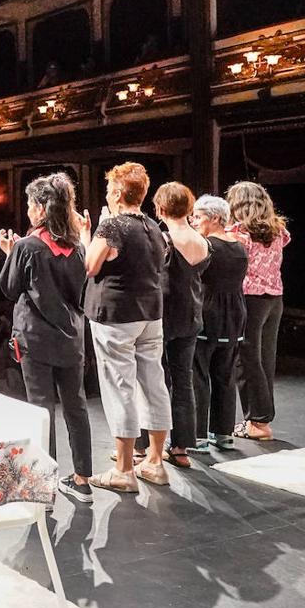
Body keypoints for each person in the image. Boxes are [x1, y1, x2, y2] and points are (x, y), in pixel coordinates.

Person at [0, 172, 93, 503]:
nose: (27, 211)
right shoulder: (78, 246)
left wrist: (10, 253)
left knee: (41, 409)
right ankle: (82, 479)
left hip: (35, 339)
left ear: (40, 207)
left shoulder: (27, 246)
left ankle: (44, 486)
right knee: (75, 405)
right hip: (71, 336)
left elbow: (9, 288)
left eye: (29, 204)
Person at [82, 162, 173, 492]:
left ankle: (123, 469)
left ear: (119, 193)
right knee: (153, 384)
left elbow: (90, 266)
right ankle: (155, 462)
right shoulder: (152, 226)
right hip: (151, 313)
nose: (107, 193)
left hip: (117, 315)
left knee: (119, 386)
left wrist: (95, 229)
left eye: (109, 189)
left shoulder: (113, 226)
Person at [137, 182, 211, 469]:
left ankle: (143, 446)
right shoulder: (202, 239)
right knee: (183, 382)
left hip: (163, 316)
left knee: (152, 382)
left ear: (160, 208)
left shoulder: (163, 238)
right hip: (192, 314)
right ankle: (180, 448)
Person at [226, 181, 290, 441]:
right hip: (275, 299)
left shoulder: (239, 233)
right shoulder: (278, 230)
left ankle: (258, 422)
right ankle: (261, 418)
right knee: (265, 359)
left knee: (247, 360)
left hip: (251, 299)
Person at [189, 195, 248, 451]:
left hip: (208, 313)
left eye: (198, 217)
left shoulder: (206, 246)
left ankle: (197, 435)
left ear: (215, 218)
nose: (194, 222)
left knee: (199, 374)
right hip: (235, 314)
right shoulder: (240, 246)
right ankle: (223, 433)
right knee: (225, 374)